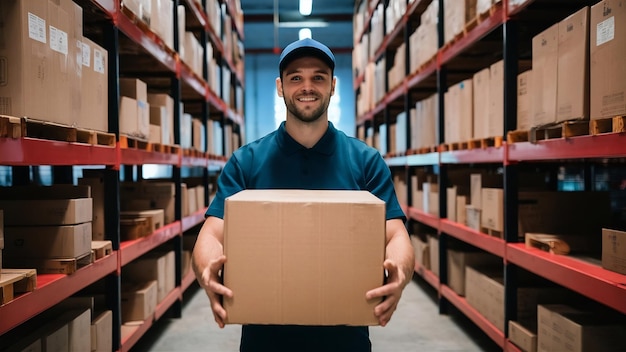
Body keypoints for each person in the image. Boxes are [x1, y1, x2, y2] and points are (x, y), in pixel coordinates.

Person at [192, 37, 415, 352]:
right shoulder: (248, 161)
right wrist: (206, 270)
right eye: (296, 77)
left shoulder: (365, 161)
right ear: (280, 87)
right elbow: (211, 233)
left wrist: (399, 274)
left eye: (318, 77)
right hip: (265, 339)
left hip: (345, 338)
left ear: (333, 86)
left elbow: (396, 235)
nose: (307, 86)